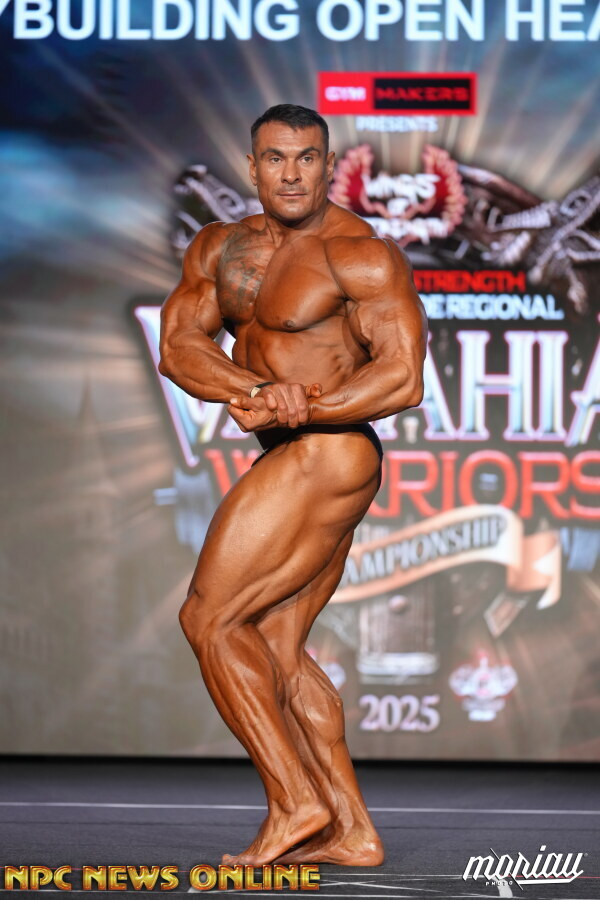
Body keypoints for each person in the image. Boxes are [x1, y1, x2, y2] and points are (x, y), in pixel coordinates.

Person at [158, 104, 427, 867]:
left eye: (307, 157)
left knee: (210, 620)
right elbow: (178, 346)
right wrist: (251, 389)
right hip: (296, 453)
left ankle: (294, 803)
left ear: (329, 165)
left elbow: (402, 377)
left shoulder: (359, 254)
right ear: (252, 167)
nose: (291, 173)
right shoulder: (220, 248)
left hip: (331, 451)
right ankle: (353, 830)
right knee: (275, 646)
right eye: (276, 158)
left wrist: (304, 405)